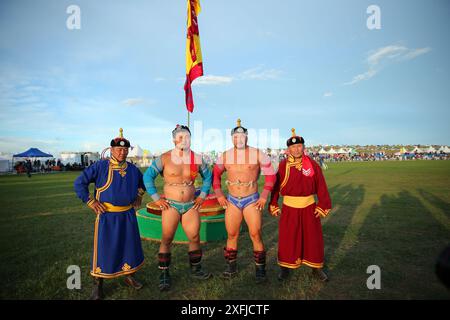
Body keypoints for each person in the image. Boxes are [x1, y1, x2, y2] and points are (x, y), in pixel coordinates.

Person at [74, 128, 146, 300]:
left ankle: (130, 276)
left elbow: (144, 182)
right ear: (111, 149)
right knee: (105, 249)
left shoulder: (133, 169)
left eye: (125, 150)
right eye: (119, 149)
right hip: (107, 216)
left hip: (128, 215)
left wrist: (139, 195)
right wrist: (90, 200)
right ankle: (98, 286)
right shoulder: (100, 167)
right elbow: (79, 183)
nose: (122, 152)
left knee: (130, 247)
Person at [143, 124, 213, 291]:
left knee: (194, 237)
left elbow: (208, 177)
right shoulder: (165, 158)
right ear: (174, 139)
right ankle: (164, 275)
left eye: (187, 137)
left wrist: (203, 195)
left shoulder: (197, 158)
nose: (184, 140)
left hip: (190, 205)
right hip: (171, 205)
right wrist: (156, 198)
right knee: (167, 239)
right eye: (180, 137)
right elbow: (147, 177)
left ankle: (196, 270)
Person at [213, 119, 276, 283]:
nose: (238, 139)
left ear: (246, 137)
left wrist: (264, 196)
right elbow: (215, 176)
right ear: (232, 138)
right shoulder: (225, 156)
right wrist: (219, 194)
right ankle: (231, 267)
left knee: (255, 234)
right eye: (235, 137)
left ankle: (260, 271)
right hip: (232, 200)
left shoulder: (257, 153)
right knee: (232, 234)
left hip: (252, 199)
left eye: (241, 136)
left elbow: (271, 175)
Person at [269, 128, 332, 282]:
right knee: (288, 238)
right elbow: (275, 186)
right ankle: (285, 267)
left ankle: (316, 268)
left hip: (310, 207)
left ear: (303, 147)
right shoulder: (283, 166)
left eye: (299, 146)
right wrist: (273, 203)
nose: (296, 149)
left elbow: (321, 186)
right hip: (289, 208)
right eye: (293, 147)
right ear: (288, 149)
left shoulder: (312, 165)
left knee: (313, 238)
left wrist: (322, 205)